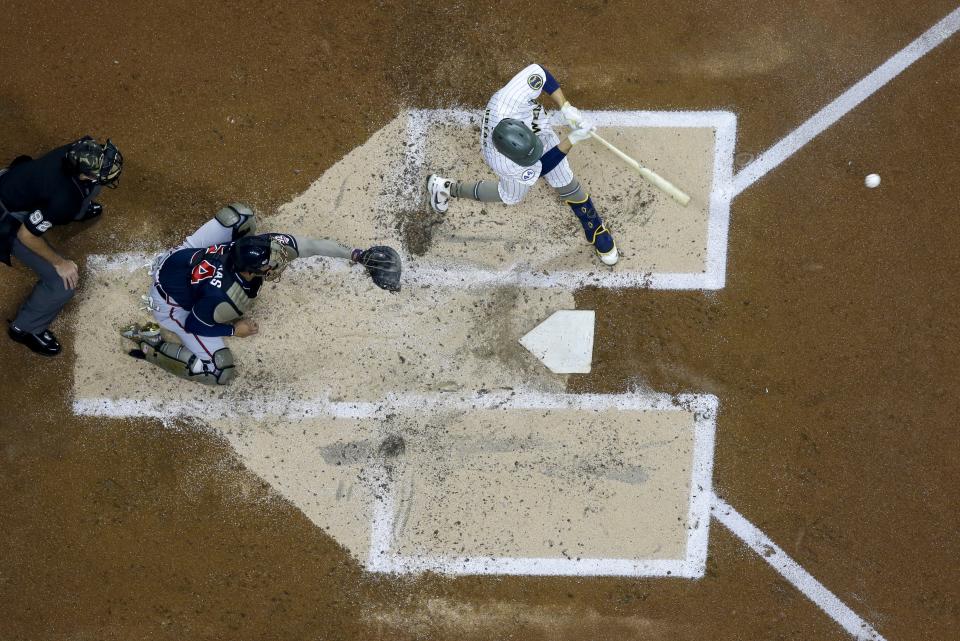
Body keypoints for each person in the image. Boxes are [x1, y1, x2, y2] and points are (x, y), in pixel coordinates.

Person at [121, 204, 401, 385]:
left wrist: (357, 255)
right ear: (250, 272)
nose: (279, 260)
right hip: (171, 303)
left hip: (181, 259)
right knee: (219, 371)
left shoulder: (259, 246)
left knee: (240, 217)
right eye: (271, 263)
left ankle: (174, 269)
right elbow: (196, 323)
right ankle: (151, 345)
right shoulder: (225, 299)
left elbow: (312, 245)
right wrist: (233, 330)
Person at [426, 63, 618, 266]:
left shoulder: (511, 98)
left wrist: (565, 107)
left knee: (566, 182)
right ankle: (446, 188)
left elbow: (541, 73)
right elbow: (543, 167)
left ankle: (595, 228)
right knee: (512, 195)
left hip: (532, 128)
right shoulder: (504, 163)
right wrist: (573, 139)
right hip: (509, 153)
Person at [0, 136, 123, 355]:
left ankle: (77, 213)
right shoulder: (63, 198)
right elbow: (27, 234)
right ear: (84, 173)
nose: (111, 169)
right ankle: (25, 329)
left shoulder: (80, 148)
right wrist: (60, 263)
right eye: (104, 170)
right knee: (62, 283)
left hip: (16, 184)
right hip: (7, 219)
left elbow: (86, 180)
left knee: (92, 189)